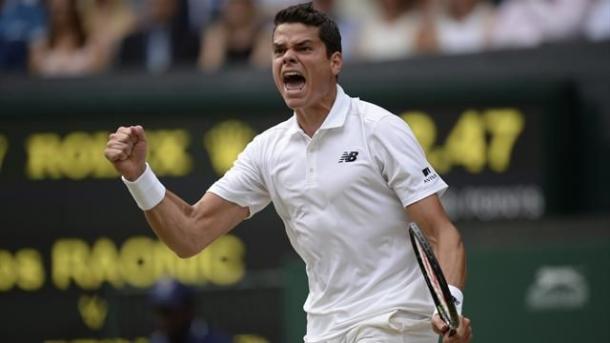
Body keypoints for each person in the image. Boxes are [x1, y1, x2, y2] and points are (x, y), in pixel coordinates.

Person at [104, 3, 472, 342]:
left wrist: (451, 304)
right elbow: (190, 234)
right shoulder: (267, 151)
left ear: (335, 62)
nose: (288, 58)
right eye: (279, 50)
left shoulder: (379, 128)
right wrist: (139, 177)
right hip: (325, 328)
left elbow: (441, 233)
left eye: (303, 49)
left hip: (395, 322)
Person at [149, 278, 232, 343]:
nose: (163, 319)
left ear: (188, 311)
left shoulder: (213, 340)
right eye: (159, 311)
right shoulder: (157, 340)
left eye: (168, 312)